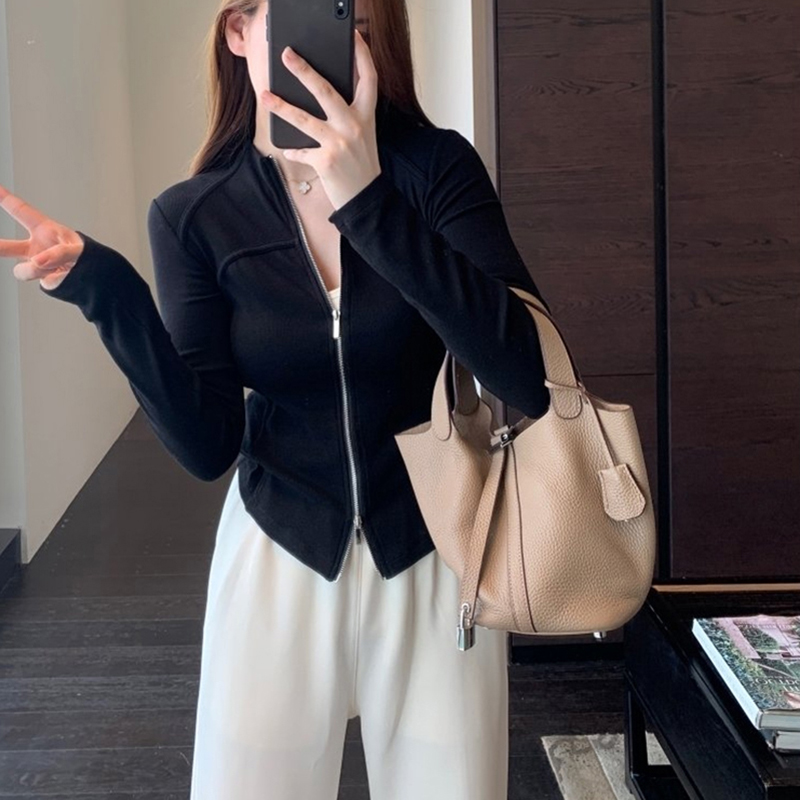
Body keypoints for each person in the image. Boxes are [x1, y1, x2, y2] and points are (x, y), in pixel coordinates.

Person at [1, 0, 552, 797]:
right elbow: (206, 445)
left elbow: (524, 374)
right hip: (277, 556)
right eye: (297, 11)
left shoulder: (436, 170)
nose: (328, 41)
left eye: (350, 16)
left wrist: (366, 199)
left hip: (437, 552)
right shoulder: (195, 215)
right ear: (238, 31)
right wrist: (107, 291)